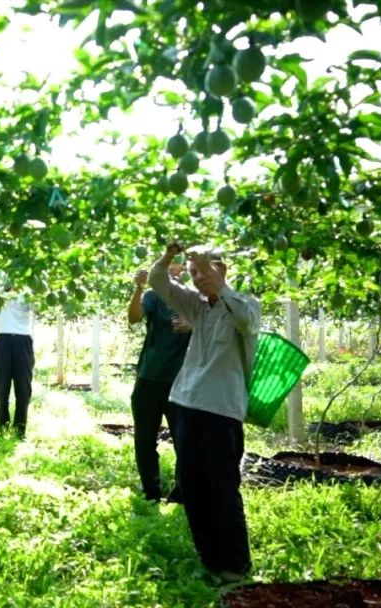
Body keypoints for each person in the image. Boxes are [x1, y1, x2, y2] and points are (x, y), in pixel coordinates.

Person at [148, 242, 260, 583]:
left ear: (222, 269)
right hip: (188, 404)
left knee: (222, 487)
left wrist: (220, 286)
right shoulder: (197, 308)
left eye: (204, 271)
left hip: (222, 410)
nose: (197, 278)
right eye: (193, 272)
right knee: (192, 485)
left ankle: (236, 566)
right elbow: (158, 281)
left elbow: (247, 321)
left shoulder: (245, 304)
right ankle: (210, 561)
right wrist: (169, 257)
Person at [128, 260, 192, 503]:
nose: (172, 269)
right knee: (144, 439)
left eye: (178, 264)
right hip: (149, 378)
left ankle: (182, 492)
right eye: (168, 264)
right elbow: (134, 318)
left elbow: (215, 323)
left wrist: (194, 325)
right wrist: (138, 289)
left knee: (184, 441)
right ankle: (150, 492)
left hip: (180, 382)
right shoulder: (154, 296)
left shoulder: (192, 298)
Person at [0, 296, 34, 438]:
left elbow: (39, 307)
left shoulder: (30, 286)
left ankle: (20, 431)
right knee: (2, 387)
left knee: (24, 389)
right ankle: (3, 429)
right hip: (3, 338)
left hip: (23, 339)